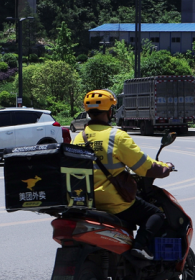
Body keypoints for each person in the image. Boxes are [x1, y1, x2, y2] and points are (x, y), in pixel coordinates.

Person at [71, 89, 173, 260]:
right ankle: (139, 248)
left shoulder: (78, 138)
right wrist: (166, 167)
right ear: (110, 111)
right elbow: (144, 167)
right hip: (113, 203)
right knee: (156, 214)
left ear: (88, 112)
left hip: (86, 201)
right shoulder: (116, 136)